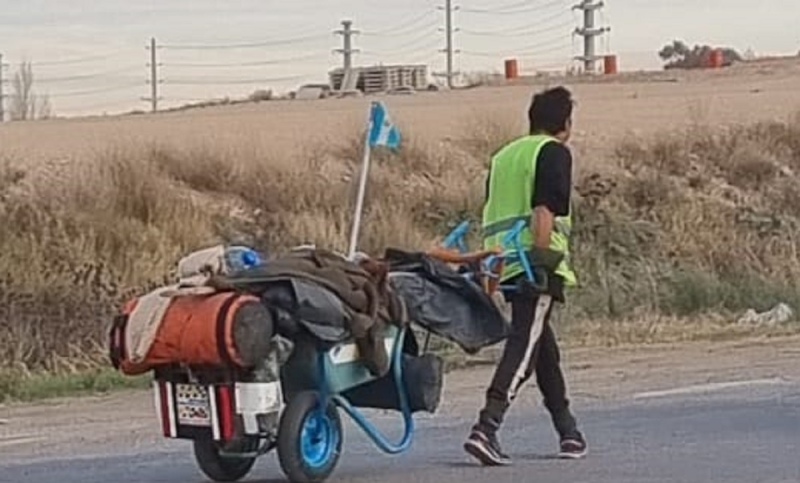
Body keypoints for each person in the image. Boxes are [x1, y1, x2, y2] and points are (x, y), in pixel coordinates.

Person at [463, 85, 588, 466]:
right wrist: (543, 258)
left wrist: (491, 273)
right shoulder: (552, 152)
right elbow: (544, 210)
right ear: (565, 124)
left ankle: (568, 432)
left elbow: (492, 214)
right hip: (534, 261)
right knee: (523, 346)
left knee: (542, 347)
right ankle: (487, 426)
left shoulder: (503, 157)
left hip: (504, 262)